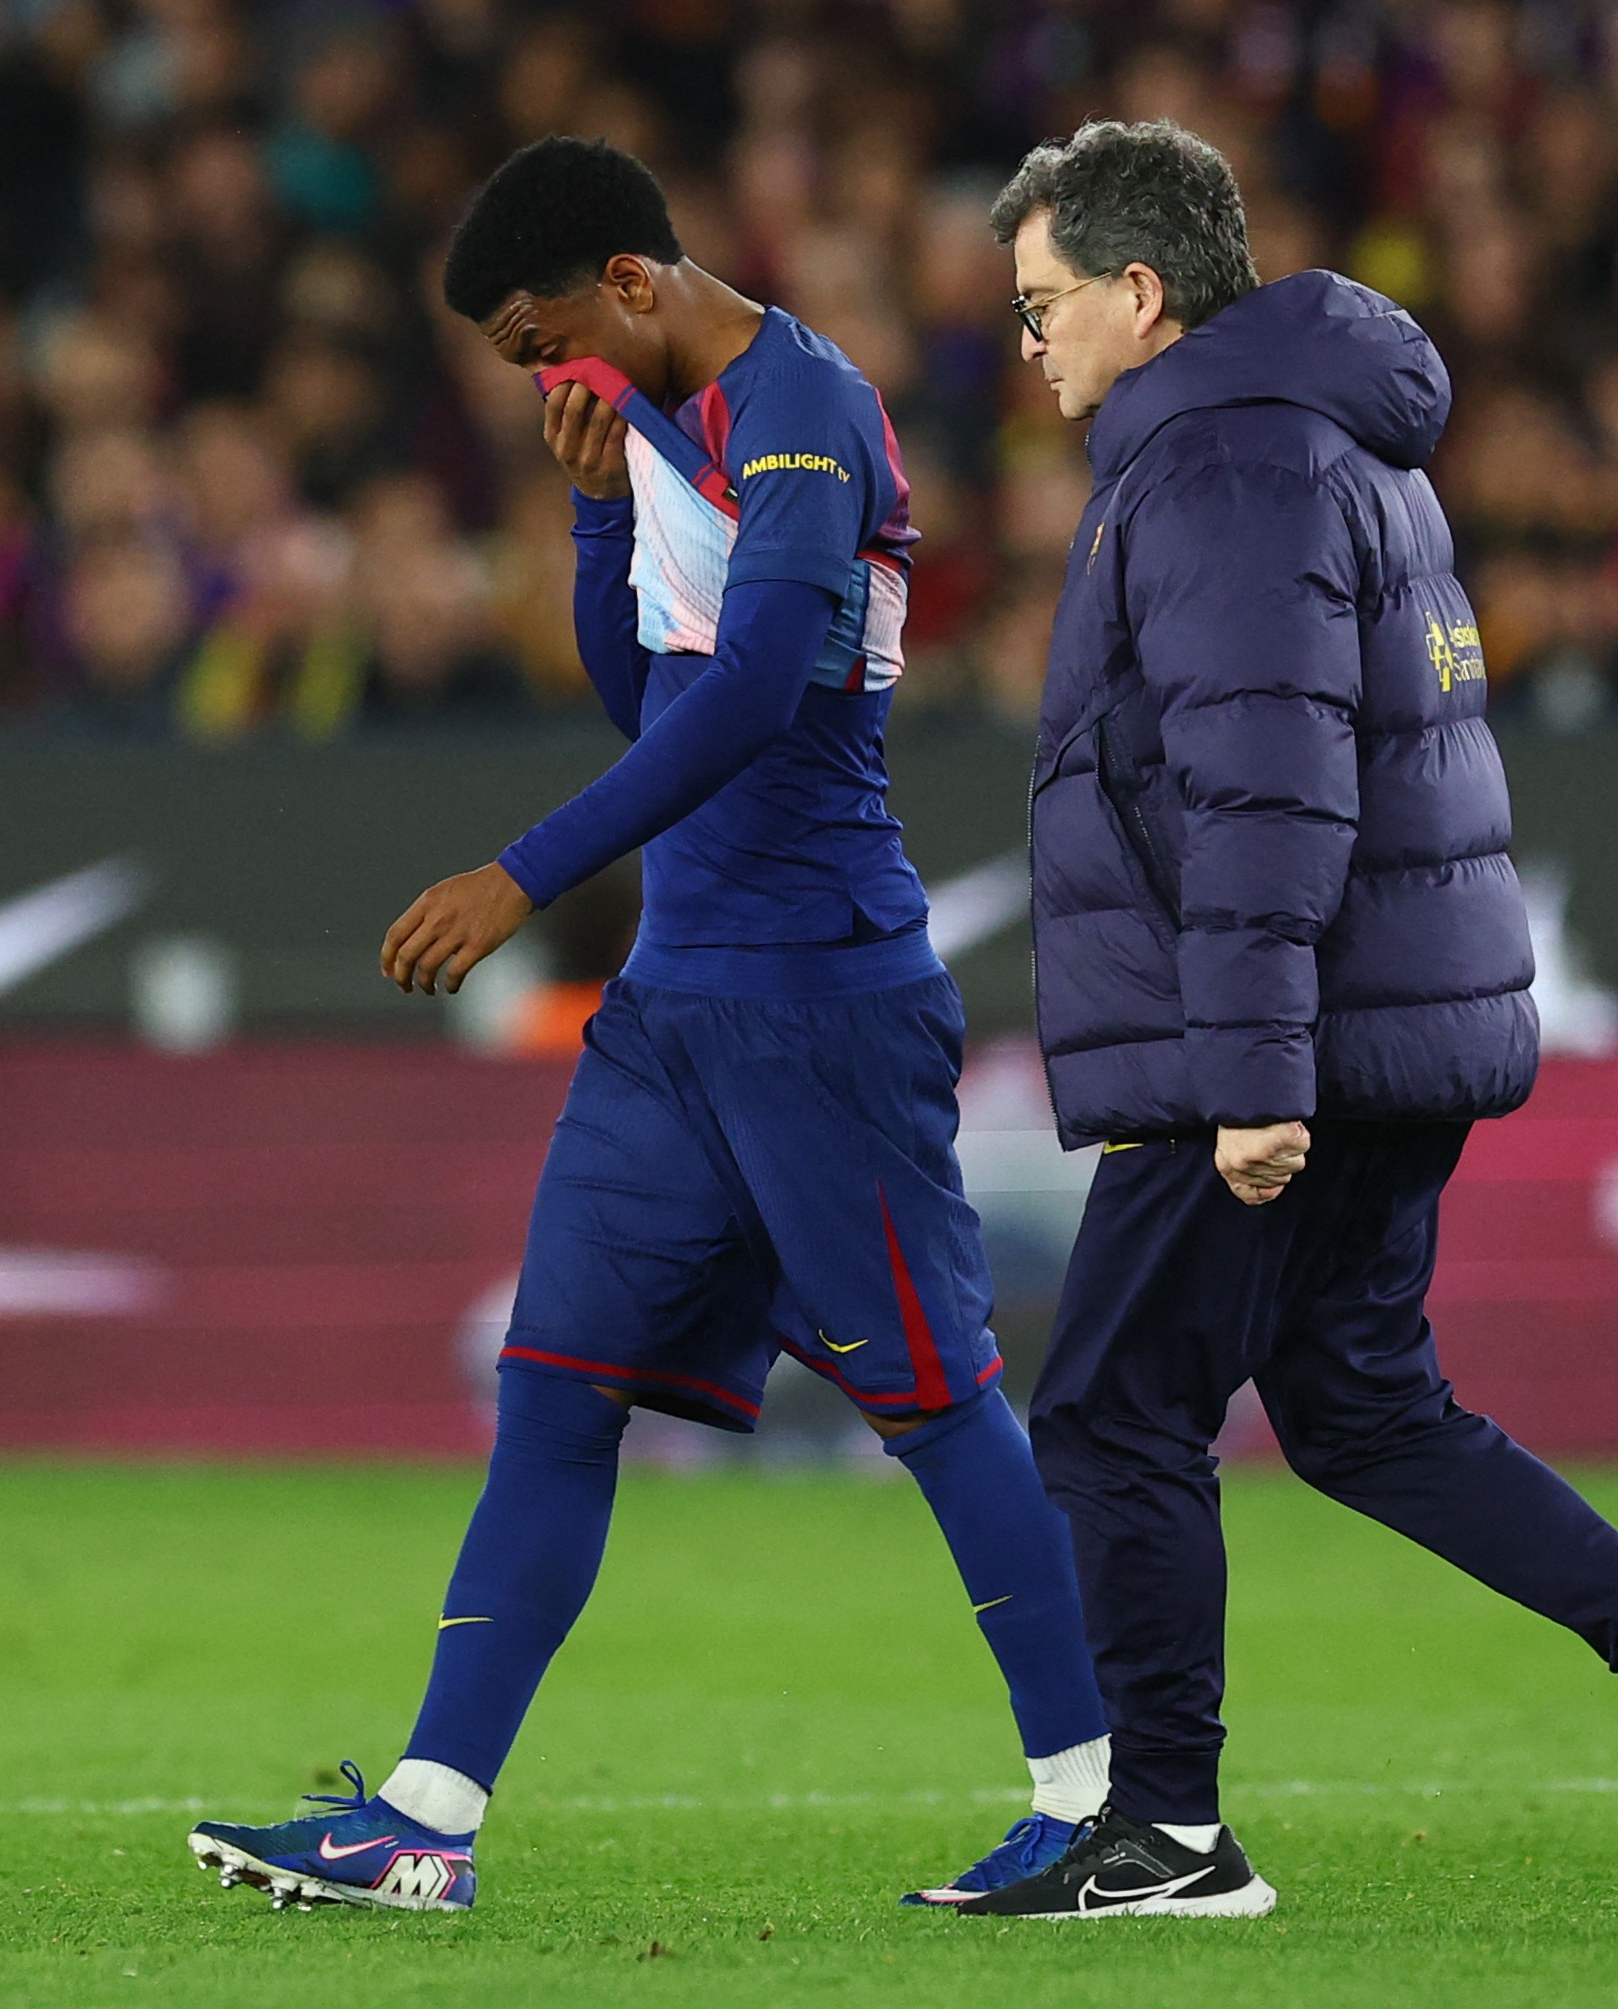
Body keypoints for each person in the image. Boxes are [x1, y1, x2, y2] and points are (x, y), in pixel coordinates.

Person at [187, 137, 1110, 1915]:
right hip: (677, 1008)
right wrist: (602, 507)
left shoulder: (802, 411)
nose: (545, 379)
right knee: (557, 1392)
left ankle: (1099, 1805)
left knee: (938, 1404)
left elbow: (764, 694)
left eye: (544, 345)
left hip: (822, 999)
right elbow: (652, 692)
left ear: (627, 279)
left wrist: (522, 876)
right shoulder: (672, 430)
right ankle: (422, 1820)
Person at [951, 120, 1618, 1923]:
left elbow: (1267, 790)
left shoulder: (1221, 469)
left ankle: (1169, 1834)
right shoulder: (1325, 438)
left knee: (1115, 1410)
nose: (1028, 342)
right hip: (1375, 1020)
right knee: (1360, 1410)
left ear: (1143, 291)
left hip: (1287, 1042)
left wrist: (1254, 1078)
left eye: (1045, 303)